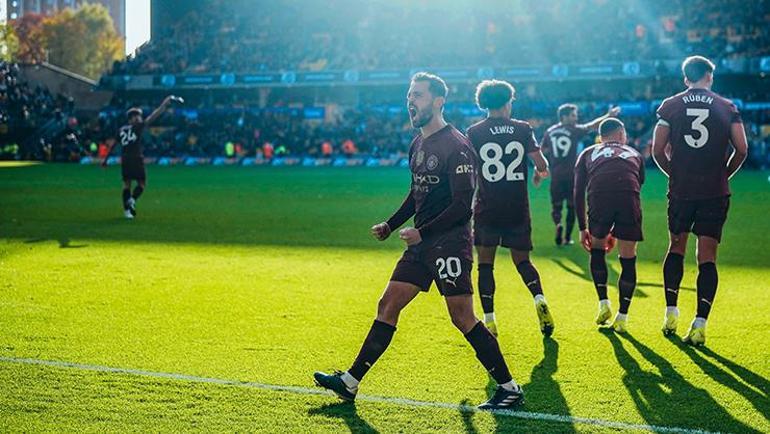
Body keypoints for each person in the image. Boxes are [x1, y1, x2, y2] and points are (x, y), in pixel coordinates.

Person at [314, 73, 524, 410]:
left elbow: (461, 205)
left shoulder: (456, 145)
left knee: (462, 316)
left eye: (419, 95)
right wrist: (390, 223)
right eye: (409, 95)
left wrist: (423, 232)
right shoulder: (418, 143)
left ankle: (509, 388)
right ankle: (351, 382)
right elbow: (417, 192)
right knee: (388, 305)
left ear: (439, 101)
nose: (411, 101)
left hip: (449, 243)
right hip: (421, 244)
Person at [652, 55, 748, 345]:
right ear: (709, 76)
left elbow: (657, 150)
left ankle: (670, 310)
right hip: (714, 191)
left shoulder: (670, 105)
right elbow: (742, 149)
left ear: (685, 78)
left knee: (676, 246)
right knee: (707, 256)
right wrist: (724, 176)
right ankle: (700, 323)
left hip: (682, 190)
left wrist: (674, 174)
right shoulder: (727, 106)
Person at [466, 79, 554, 337]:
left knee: (485, 265)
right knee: (522, 261)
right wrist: (539, 173)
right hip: (517, 208)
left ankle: (490, 319)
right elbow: (540, 162)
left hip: (487, 207)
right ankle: (538, 298)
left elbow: (469, 171)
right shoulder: (523, 129)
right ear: (506, 102)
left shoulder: (474, 132)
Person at [574, 118, 645, 333]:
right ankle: (622, 317)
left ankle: (603, 301)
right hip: (628, 198)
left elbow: (578, 192)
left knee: (597, 250)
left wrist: (582, 227)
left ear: (600, 135)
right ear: (621, 133)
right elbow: (637, 183)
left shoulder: (587, 153)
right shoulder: (634, 153)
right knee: (628, 258)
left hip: (599, 198)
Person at [542, 104, 620, 246]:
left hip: (556, 176)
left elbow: (542, 150)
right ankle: (566, 238)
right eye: (573, 115)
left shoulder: (549, 131)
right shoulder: (574, 130)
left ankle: (558, 224)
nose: (576, 117)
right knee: (572, 207)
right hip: (572, 175)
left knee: (556, 206)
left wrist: (539, 169)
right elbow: (592, 126)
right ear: (564, 117)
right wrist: (608, 116)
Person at [102, 95, 179, 219]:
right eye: (137, 116)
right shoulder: (138, 126)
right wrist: (164, 104)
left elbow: (113, 145)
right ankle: (132, 200)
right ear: (131, 119)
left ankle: (127, 212)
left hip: (125, 159)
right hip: (136, 158)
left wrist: (105, 160)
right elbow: (154, 116)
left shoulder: (121, 129)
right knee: (142, 183)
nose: (139, 118)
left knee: (126, 184)